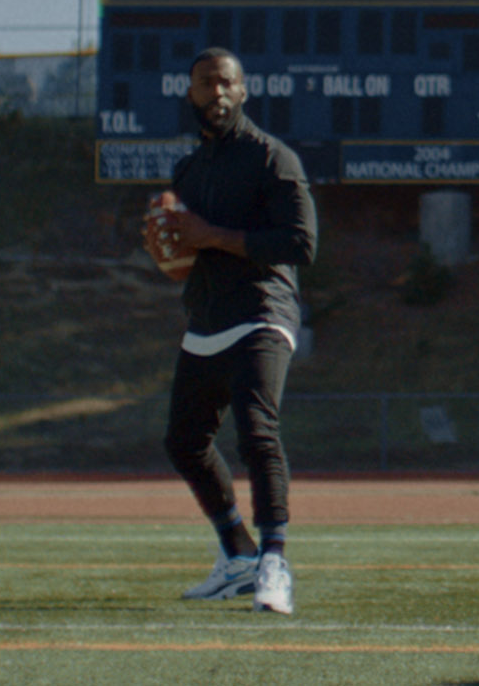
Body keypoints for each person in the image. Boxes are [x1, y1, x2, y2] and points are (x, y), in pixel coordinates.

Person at [143, 47, 317, 614]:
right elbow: (187, 252)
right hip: (209, 316)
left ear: (243, 90)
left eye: (226, 82)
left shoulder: (273, 158)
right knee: (184, 441)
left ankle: (274, 562)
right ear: (189, 93)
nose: (216, 92)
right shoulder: (189, 171)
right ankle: (237, 553)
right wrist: (169, 249)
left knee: (257, 432)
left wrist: (210, 235)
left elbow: (301, 243)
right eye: (205, 83)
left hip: (264, 310)